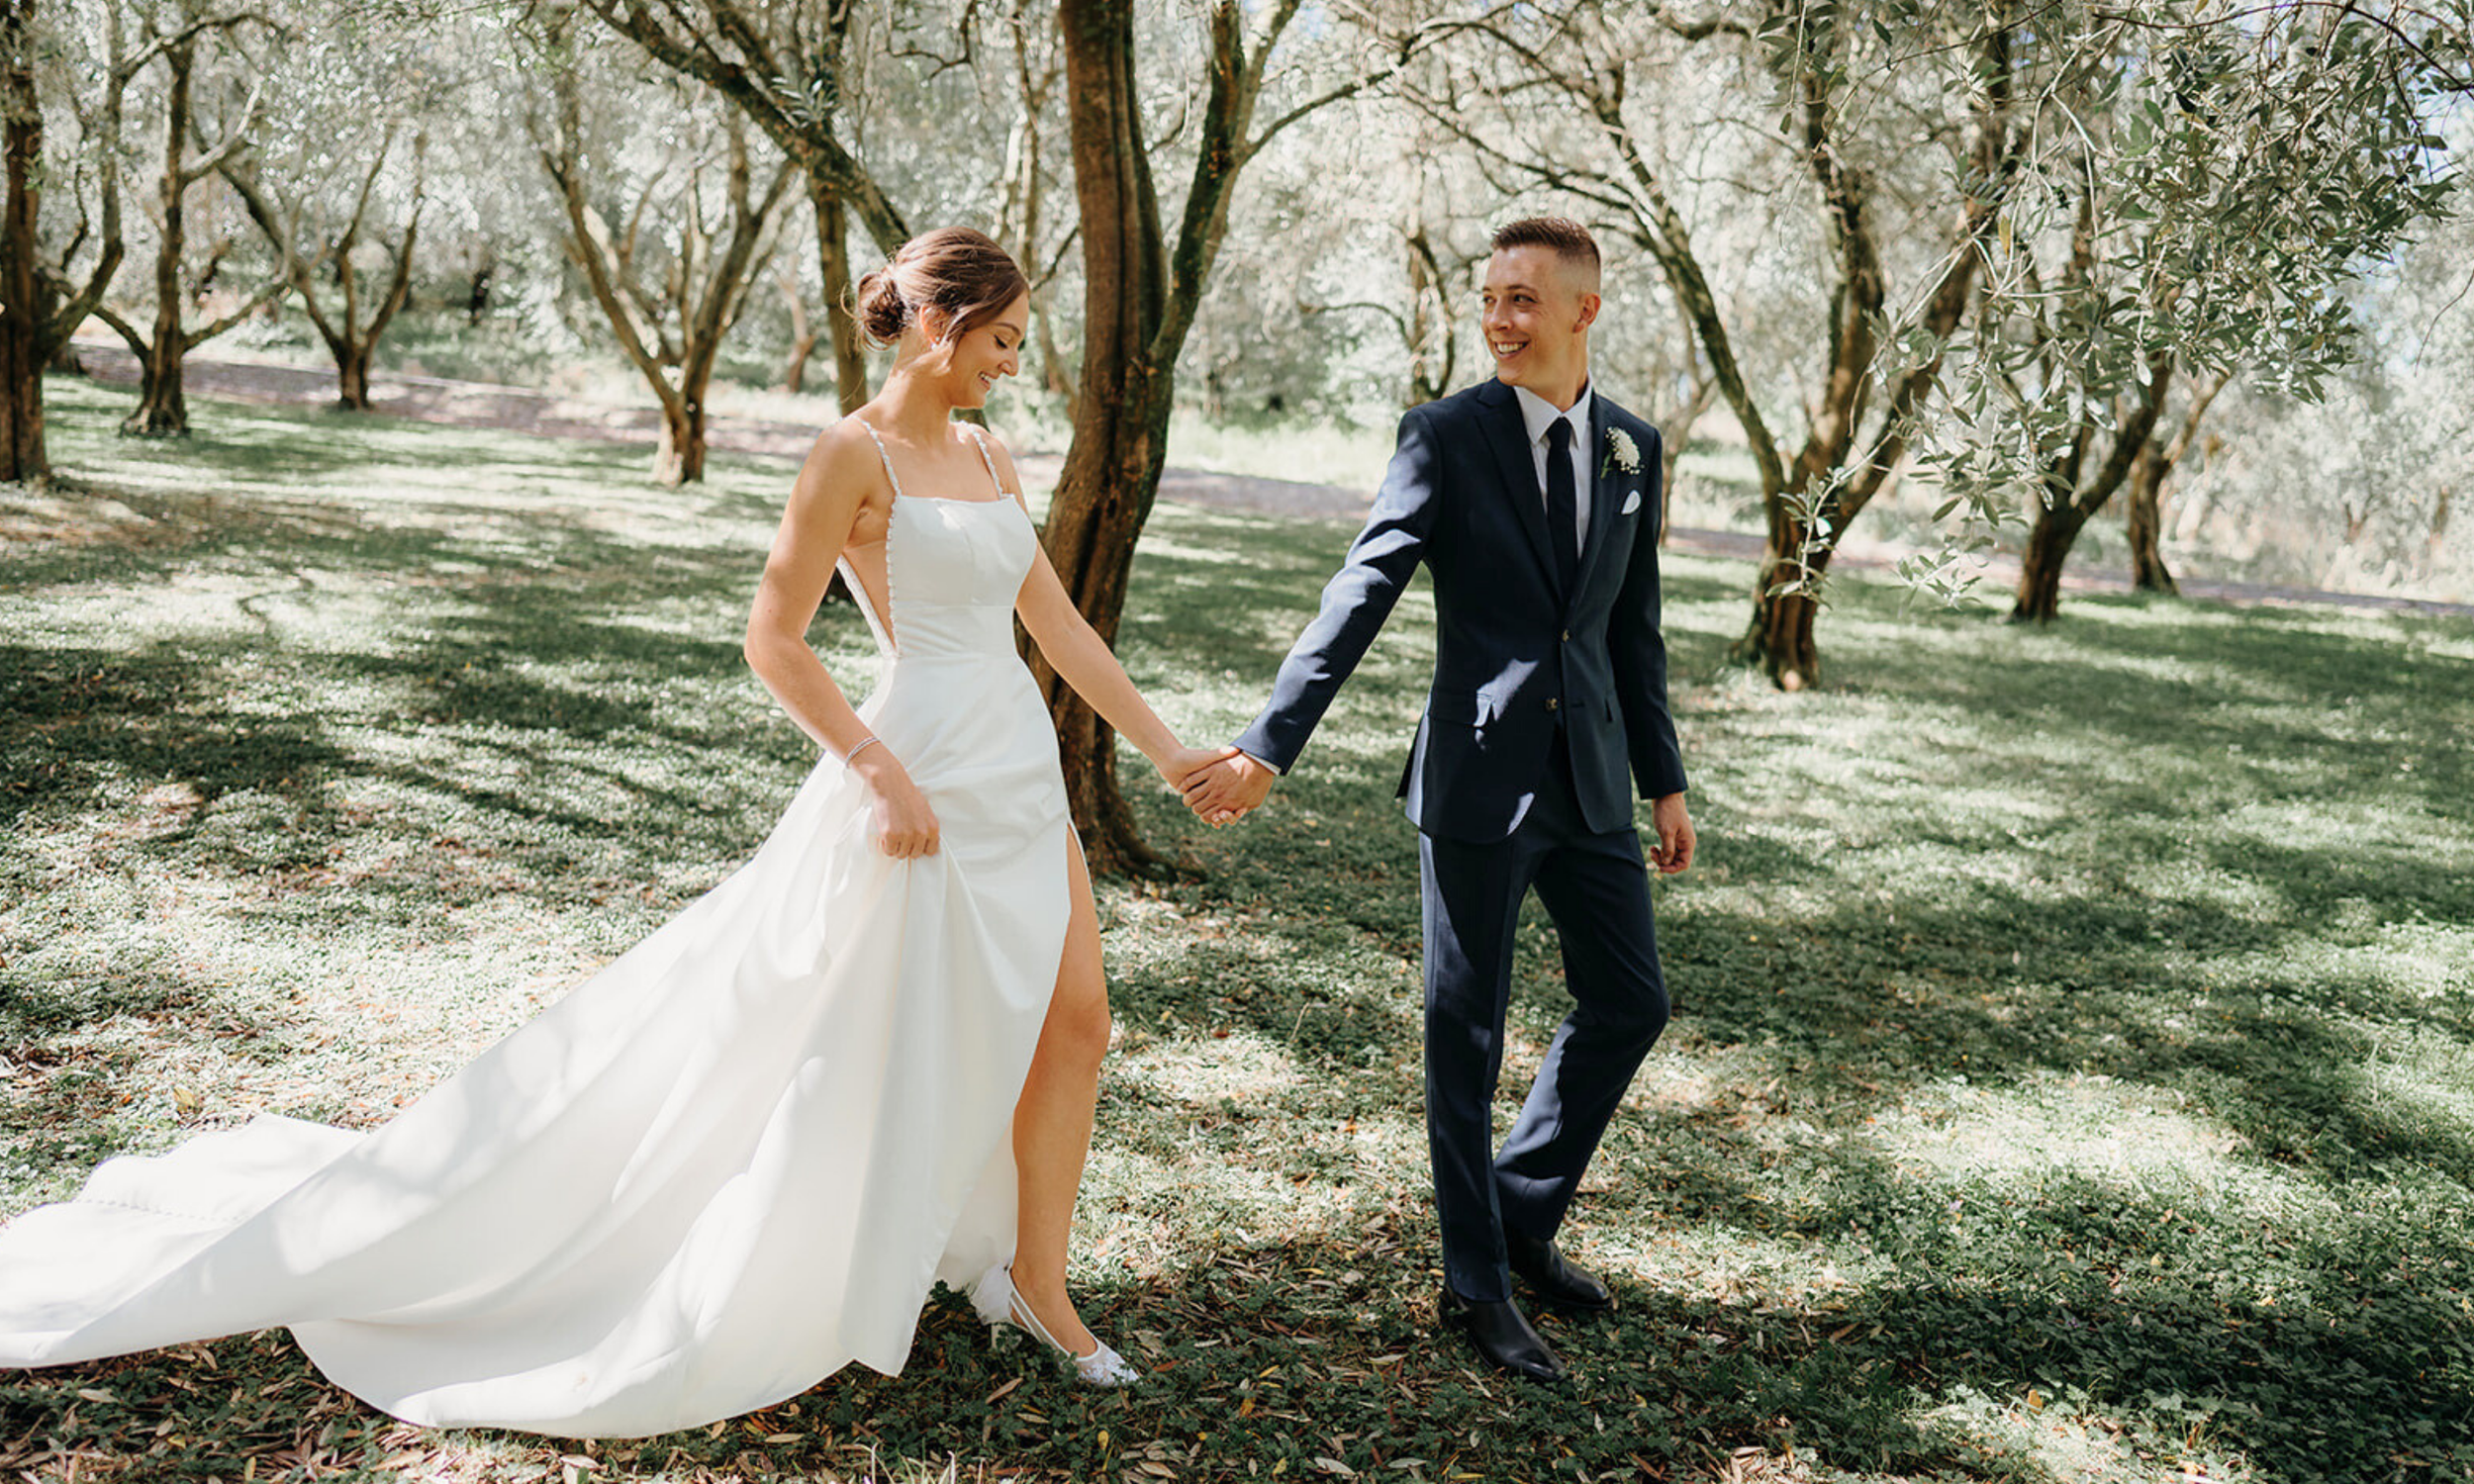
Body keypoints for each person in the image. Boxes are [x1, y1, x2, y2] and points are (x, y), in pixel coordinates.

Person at [0, 228, 1229, 1435]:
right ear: (940, 322)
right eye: (1001, 340)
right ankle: (807, 1247)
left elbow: (1057, 632)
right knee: (852, 1032)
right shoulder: (849, 456)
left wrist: (1170, 750)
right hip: (915, 776)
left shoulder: (993, 454)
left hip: (1016, 768)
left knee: (1076, 1021)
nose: (1011, 364)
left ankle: (1036, 1282)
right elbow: (774, 641)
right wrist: (875, 769)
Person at [1181, 217, 1696, 1383]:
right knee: (1463, 1036)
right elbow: (1359, 591)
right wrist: (1270, 744)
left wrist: (1660, 780)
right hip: (1475, 781)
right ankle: (1477, 1286)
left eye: (1524, 299)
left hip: (1593, 786)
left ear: (1583, 312)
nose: (1500, 319)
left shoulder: (1632, 449)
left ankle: (1519, 1215)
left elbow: (1631, 629)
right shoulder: (1445, 436)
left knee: (1630, 1001)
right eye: (1490, 297)